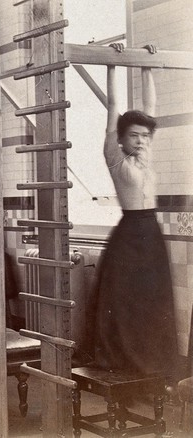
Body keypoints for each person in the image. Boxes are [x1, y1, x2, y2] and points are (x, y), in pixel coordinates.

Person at [91, 43, 178, 377]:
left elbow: (150, 107)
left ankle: (152, 366)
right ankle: (123, 361)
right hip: (129, 233)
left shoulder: (146, 157)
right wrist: (113, 64)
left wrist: (147, 66)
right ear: (122, 139)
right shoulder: (114, 158)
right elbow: (113, 108)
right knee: (125, 302)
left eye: (144, 135)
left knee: (152, 301)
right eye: (134, 135)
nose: (141, 140)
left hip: (151, 232)